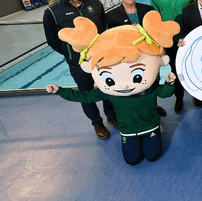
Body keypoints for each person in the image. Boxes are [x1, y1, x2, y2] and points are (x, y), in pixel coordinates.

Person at [46, 11, 179, 165]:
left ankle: (156, 133)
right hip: (128, 131)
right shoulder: (111, 93)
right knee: (132, 160)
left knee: (153, 156)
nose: (124, 85)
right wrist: (59, 91)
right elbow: (84, 97)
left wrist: (169, 82)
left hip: (150, 127)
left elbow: (166, 93)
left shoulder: (148, 89)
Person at [43, 0, 117, 140]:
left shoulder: (95, 3)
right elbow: (52, 40)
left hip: (100, 59)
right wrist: (71, 55)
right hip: (77, 63)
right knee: (85, 93)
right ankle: (97, 124)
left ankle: (111, 115)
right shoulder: (52, 12)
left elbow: (103, 29)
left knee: (107, 87)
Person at [106, 0, 167, 117]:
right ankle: (136, 107)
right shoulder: (111, 16)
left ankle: (154, 104)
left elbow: (157, 33)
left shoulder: (148, 10)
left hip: (149, 54)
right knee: (133, 81)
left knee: (152, 80)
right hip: (129, 57)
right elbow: (112, 41)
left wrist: (161, 50)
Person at [150, 0, 196, 114]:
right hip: (169, 40)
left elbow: (197, 12)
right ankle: (179, 98)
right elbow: (155, 19)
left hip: (188, 37)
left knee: (192, 67)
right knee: (175, 70)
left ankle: (196, 95)